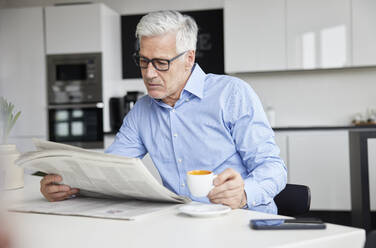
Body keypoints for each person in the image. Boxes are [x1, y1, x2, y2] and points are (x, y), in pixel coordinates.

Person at [40, 10, 287, 214]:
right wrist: (67, 185)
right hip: (179, 224)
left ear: (189, 58)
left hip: (241, 220)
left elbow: (273, 168)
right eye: (144, 60)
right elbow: (109, 172)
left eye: (161, 63)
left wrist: (243, 194)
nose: (149, 73)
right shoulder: (142, 111)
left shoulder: (231, 94)